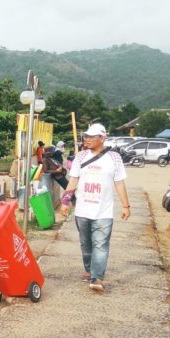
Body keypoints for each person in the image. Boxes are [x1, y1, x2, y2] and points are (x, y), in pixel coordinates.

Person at [59, 123, 130, 292]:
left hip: (104, 211)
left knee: (101, 244)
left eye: (92, 137)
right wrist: (65, 201)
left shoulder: (115, 158)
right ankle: (88, 269)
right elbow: (73, 180)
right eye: (86, 136)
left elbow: (119, 182)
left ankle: (97, 277)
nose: (87, 139)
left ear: (102, 138)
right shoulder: (81, 156)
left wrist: (125, 206)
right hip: (82, 210)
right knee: (86, 244)